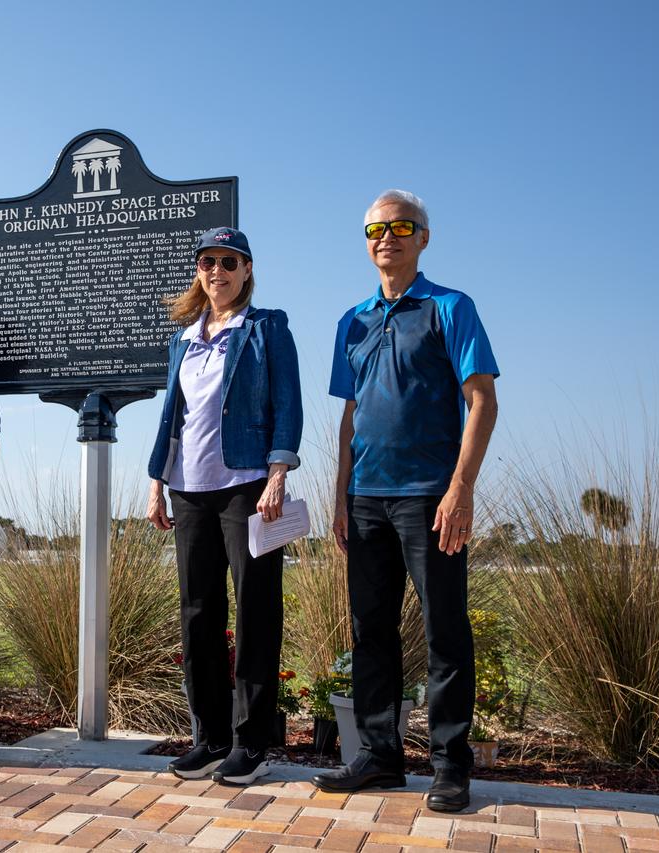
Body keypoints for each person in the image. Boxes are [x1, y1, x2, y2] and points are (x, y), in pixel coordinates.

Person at [312, 190, 499, 812]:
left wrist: (460, 489)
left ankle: (450, 767)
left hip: (430, 500)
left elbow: (482, 402)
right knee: (371, 633)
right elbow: (349, 418)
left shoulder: (451, 307)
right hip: (366, 499)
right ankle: (380, 757)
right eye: (375, 227)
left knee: (446, 632)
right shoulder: (353, 321)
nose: (386, 236)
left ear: (423, 237)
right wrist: (340, 495)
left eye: (400, 226)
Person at [146, 227, 303, 786]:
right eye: (208, 262)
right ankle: (209, 736)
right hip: (189, 488)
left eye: (228, 262)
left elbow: (287, 403)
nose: (218, 271)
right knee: (197, 613)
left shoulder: (265, 329)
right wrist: (156, 482)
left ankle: (251, 742)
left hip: (248, 485)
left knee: (256, 609)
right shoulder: (183, 339)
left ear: (246, 269)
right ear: (199, 271)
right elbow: (174, 418)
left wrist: (278, 473)